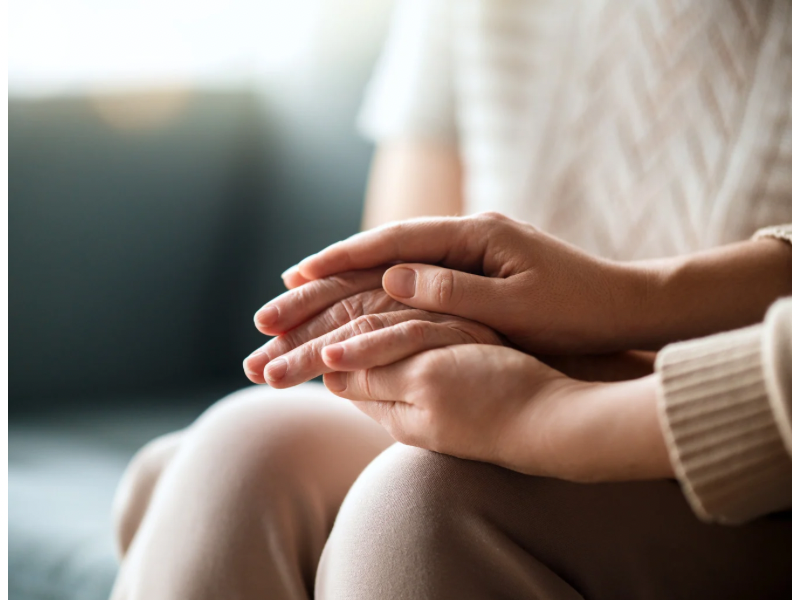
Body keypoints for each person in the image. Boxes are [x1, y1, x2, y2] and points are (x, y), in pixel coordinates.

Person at [109, 1, 791, 598]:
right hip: (518, 373)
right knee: (241, 453)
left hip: (746, 435)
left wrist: (603, 324)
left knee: (416, 513)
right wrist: (435, 336)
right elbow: (414, 218)